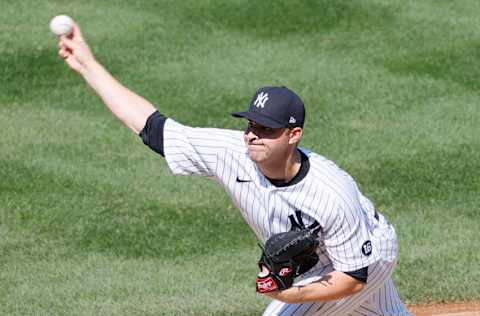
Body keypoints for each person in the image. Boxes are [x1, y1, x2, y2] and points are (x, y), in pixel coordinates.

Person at [57, 22, 412, 316]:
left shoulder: (331, 193)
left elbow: (353, 278)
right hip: (333, 263)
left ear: (294, 135)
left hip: (366, 258)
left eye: (267, 129)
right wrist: (88, 63)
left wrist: (289, 296)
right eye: (251, 125)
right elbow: (152, 128)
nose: (253, 136)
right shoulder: (230, 152)